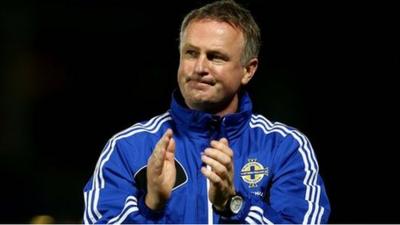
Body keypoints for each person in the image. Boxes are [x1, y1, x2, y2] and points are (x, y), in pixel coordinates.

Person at [83, 0, 330, 224]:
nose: (200, 67)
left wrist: (234, 206)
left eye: (216, 57)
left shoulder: (285, 148)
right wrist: (151, 206)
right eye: (191, 53)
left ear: (248, 70)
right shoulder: (127, 148)